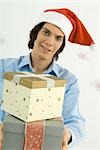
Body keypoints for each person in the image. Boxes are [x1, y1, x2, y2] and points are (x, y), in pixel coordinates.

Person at [0, 8, 94, 150]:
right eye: (46, 32)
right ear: (35, 33)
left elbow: (74, 121)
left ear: (61, 45)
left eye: (58, 38)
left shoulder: (68, 81)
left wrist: (67, 135)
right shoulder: (4, 68)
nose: (50, 42)